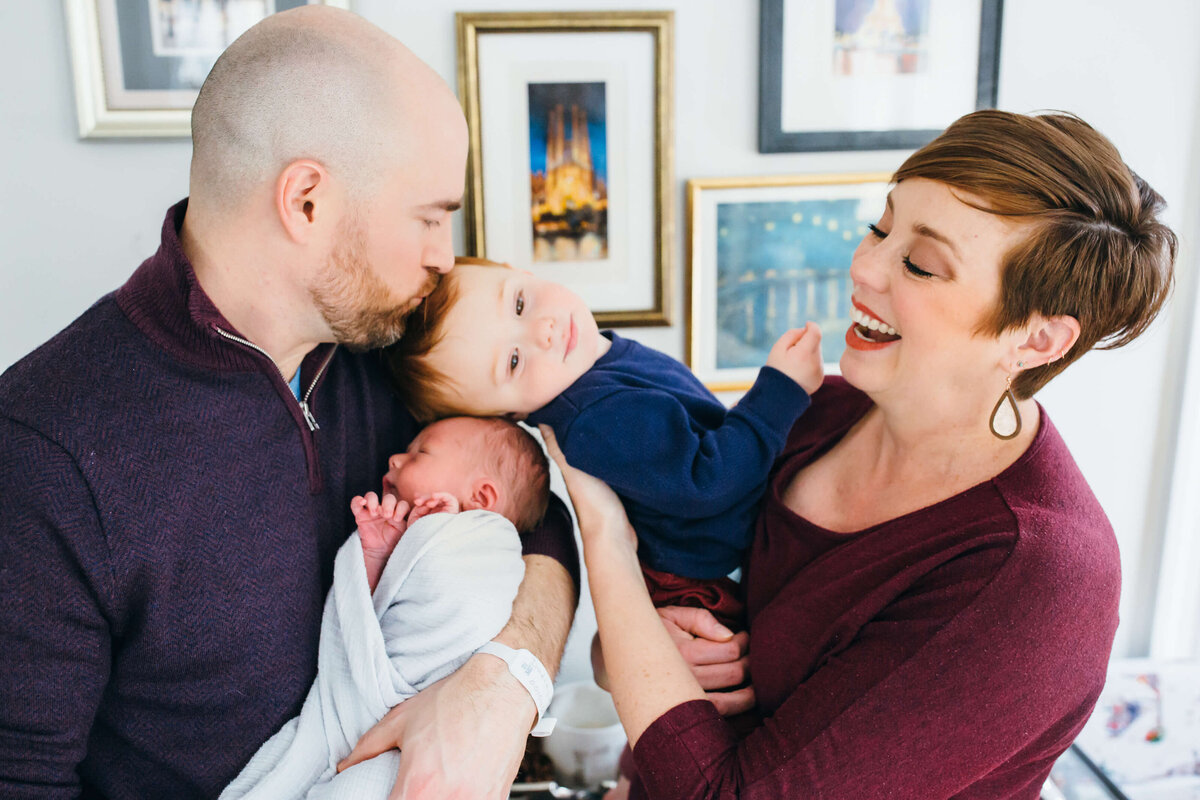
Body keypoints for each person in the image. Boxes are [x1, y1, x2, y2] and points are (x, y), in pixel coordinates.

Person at [0, 7, 578, 800]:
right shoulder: (43, 451)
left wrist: (508, 682)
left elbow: (529, 500)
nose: (445, 257)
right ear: (306, 201)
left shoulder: (393, 350)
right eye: (429, 217)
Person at [545, 109, 1178, 799]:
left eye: (920, 264)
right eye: (880, 226)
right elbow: (639, 642)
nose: (865, 266)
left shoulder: (1041, 577)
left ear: (1036, 341)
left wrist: (604, 536)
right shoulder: (821, 408)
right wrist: (643, 649)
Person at [383, 256, 824, 630]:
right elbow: (707, 478)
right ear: (510, 414)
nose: (544, 332)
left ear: (519, 271)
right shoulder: (596, 420)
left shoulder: (595, 358)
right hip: (715, 578)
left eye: (519, 303)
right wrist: (780, 391)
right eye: (514, 362)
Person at [222, 416, 551, 800]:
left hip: (427, 727)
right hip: (374, 706)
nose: (395, 459)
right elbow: (376, 619)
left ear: (481, 498)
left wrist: (437, 535)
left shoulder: (488, 546)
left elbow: (459, 602)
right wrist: (380, 557)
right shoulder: (417, 537)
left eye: (420, 453)